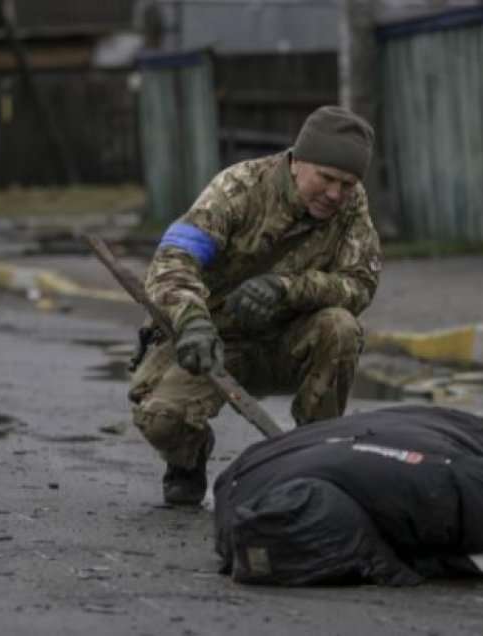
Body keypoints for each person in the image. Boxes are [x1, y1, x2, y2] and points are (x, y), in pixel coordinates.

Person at [128, 106, 382, 506]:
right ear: (298, 163)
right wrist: (192, 320)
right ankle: (187, 458)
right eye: (327, 178)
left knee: (341, 326)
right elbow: (173, 259)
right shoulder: (238, 188)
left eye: (347, 184)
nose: (335, 194)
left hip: (288, 342)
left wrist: (288, 290)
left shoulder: (351, 207)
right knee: (161, 419)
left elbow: (360, 284)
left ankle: (314, 456)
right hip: (216, 344)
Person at [213, 405, 483, 586]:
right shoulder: (264, 491)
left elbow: (356, 547)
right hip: (465, 450)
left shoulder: (257, 491)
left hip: (480, 491)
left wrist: (399, 570)